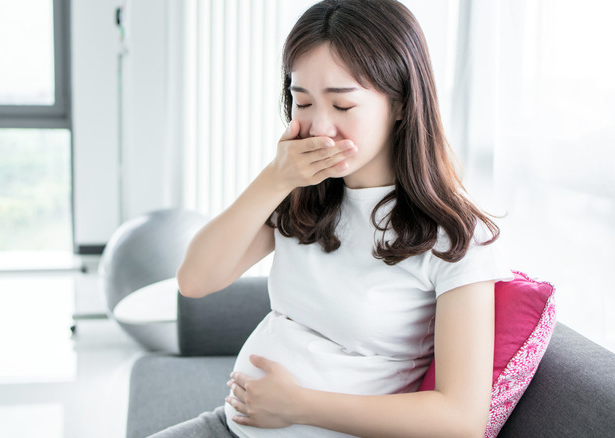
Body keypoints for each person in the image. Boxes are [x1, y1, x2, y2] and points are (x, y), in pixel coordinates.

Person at [164, 0, 513, 436]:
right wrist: (274, 179)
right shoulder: (302, 195)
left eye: (343, 107)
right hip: (228, 426)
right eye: (302, 102)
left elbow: (460, 421)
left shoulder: (456, 237)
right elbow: (195, 280)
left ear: (401, 104)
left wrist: (299, 407)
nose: (319, 128)